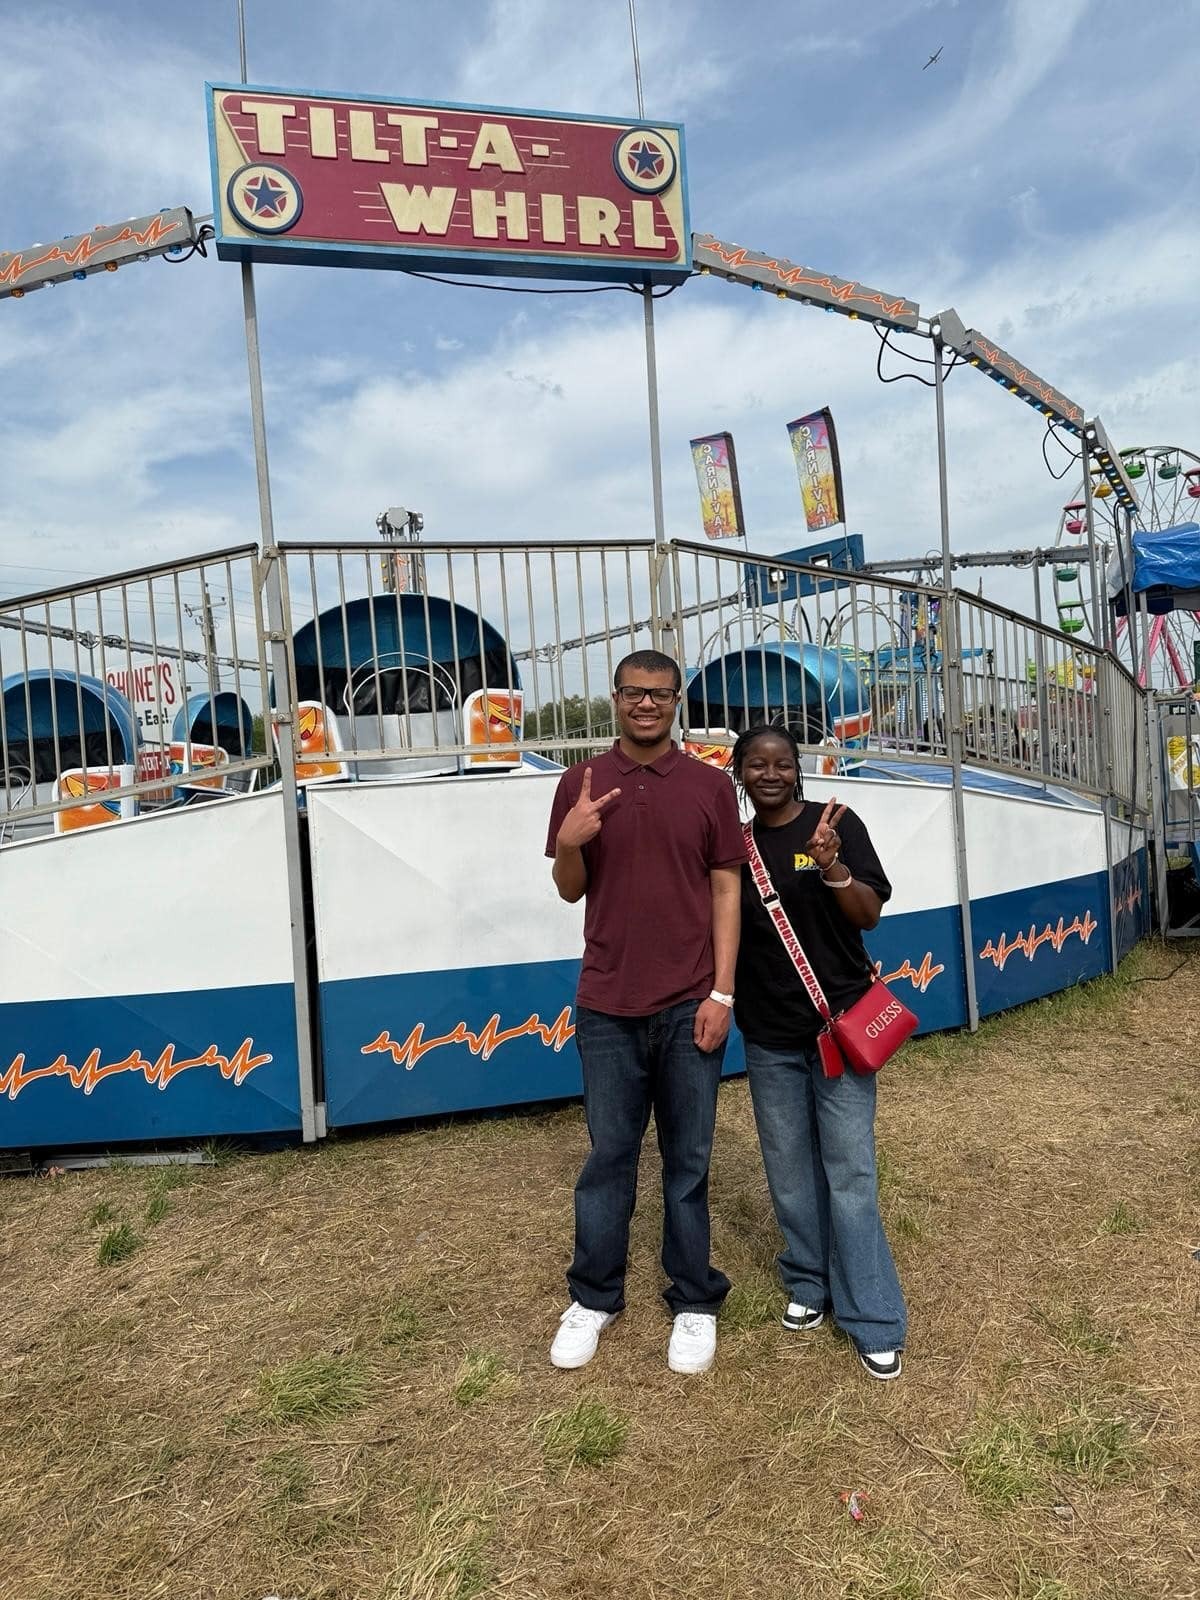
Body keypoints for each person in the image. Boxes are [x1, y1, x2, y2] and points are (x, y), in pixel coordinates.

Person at [544, 649, 746, 1375]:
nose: (646, 705)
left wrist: (722, 993)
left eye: (660, 694)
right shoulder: (582, 781)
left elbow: (729, 890)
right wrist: (569, 844)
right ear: (616, 697)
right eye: (634, 692)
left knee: (688, 1161)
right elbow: (570, 888)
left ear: (676, 700)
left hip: (691, 1002)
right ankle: (594, 1296)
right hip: (606, 1003)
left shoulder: (710, 786)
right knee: (609, 1158)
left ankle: (694, 1299)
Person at [731, 724, 907, 1380]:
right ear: (741, 772)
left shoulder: (835, 825)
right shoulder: (738, 846)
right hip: (770, 1037)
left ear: (798, 769)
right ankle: (810, 1283)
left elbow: (868, 915)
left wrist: (830, 863)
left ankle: (874, 1316)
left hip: (837, 1028)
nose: (770, 773)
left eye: (781, 763)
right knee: (790, 1173)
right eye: (757, 764)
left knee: (851, 1176)